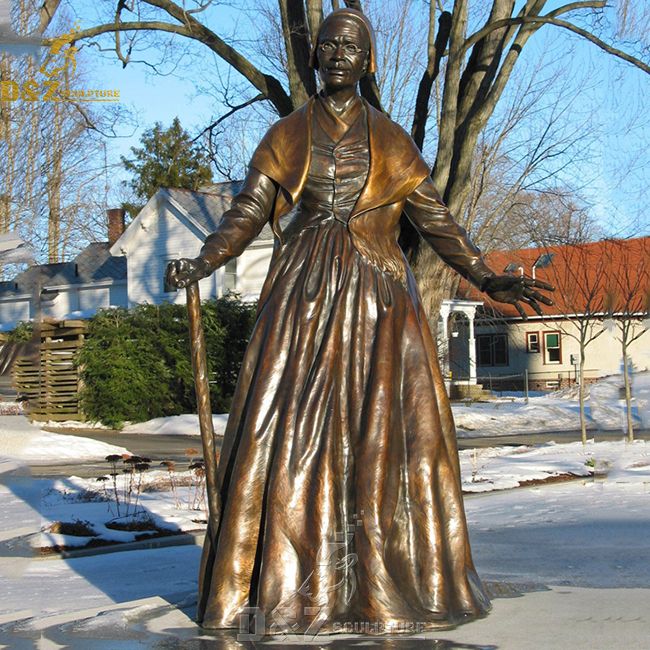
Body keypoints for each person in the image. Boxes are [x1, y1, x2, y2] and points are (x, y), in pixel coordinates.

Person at [166, 8, 553, 636]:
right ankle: (291, 586)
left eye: (351, 47)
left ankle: (378, 582)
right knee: (287, 431)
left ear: (368, 60)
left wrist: (484, 275)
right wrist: (206, 259)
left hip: (379, 306)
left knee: (382, 441)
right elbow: (247, 210)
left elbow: (434, 218)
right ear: (315, 57)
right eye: (329, 45)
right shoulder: (286, 134)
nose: (339, 54)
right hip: (305, 299)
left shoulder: (394, 139)